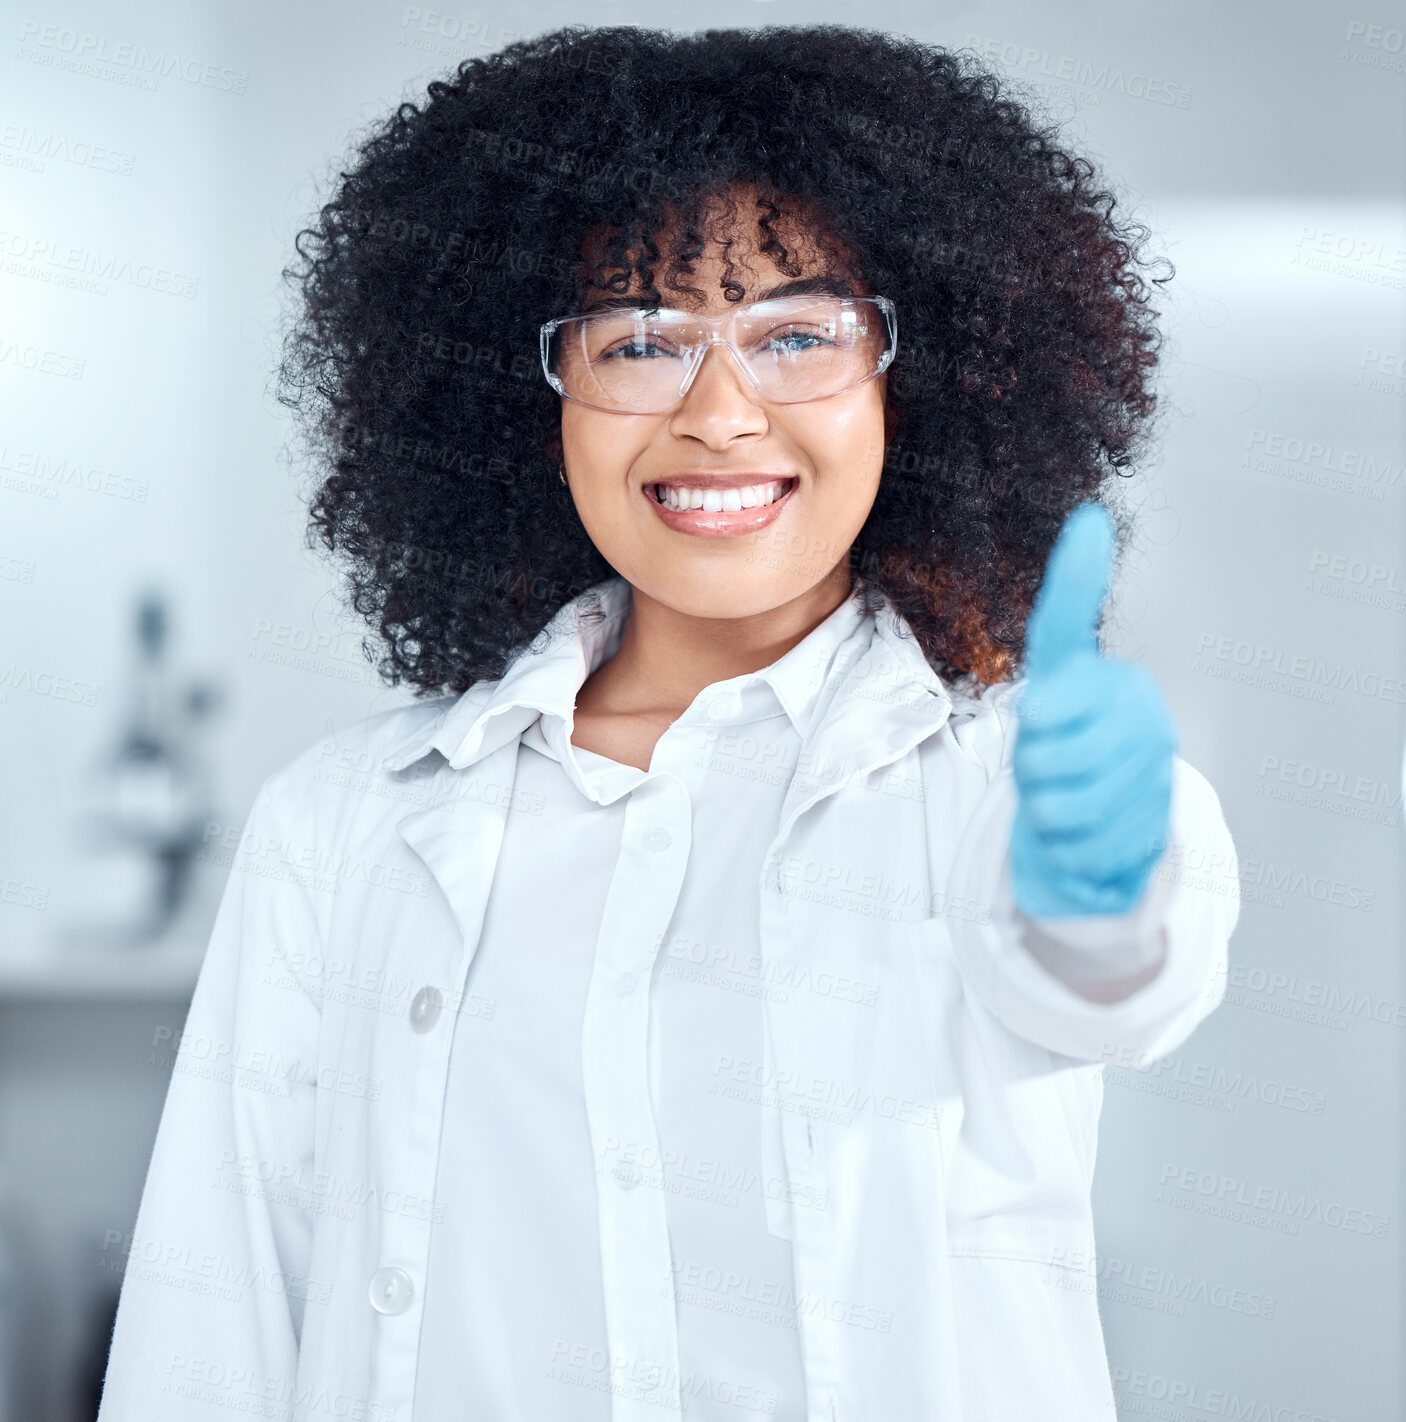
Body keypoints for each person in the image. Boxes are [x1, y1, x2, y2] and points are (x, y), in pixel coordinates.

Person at [98, 23, 1239, 1422]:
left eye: (797, 336)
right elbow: (211, 1319)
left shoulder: (1000, 781)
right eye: (640, 339)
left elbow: (1110, 979)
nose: (717, 413)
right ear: (535, 395)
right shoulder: (348, 823)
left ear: (914, 383)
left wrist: (1099, 888)